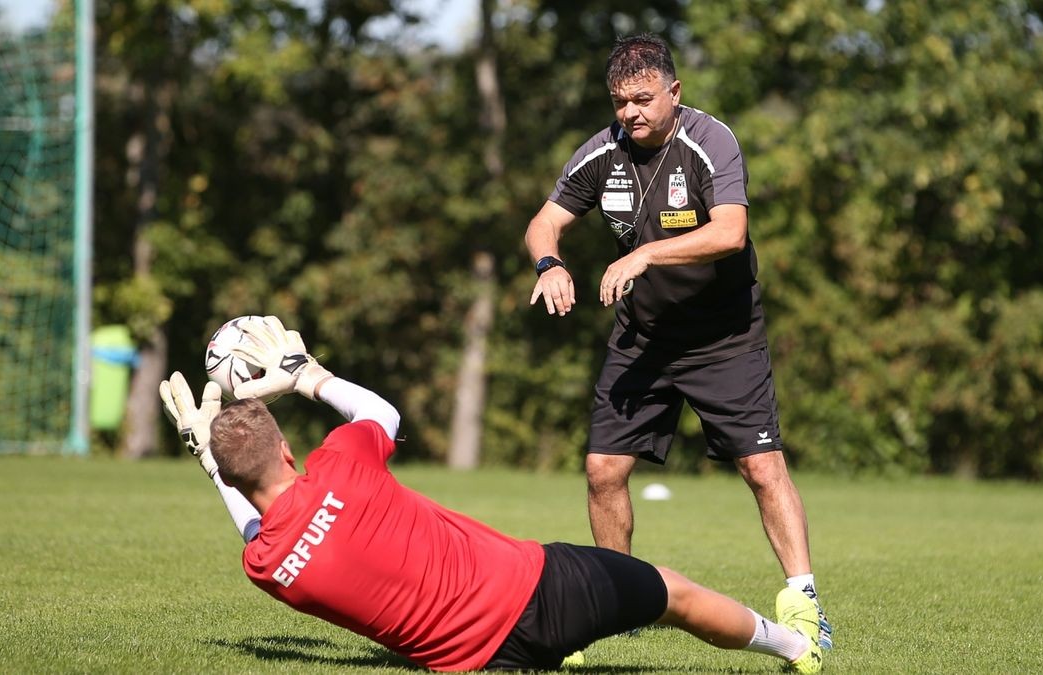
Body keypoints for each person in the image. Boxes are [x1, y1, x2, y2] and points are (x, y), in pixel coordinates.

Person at [159, 315, 823, 673]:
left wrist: (214, 464)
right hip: (542, 589)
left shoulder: (266, 568)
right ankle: (795, 648)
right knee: (671, 594)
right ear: (287, 451)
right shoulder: (340, 467)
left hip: (476, 663)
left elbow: (255, 525)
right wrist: (307, 376)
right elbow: (382, 416)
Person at [524, 33, 832, 649]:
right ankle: (616, 605)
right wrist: (549, 264)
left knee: (761, 466)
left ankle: (805, 604)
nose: (631, 112)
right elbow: (545, 221)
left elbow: (731, 233)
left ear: (674, 91)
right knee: (602, 470)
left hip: (725, 339)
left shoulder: (709, 141)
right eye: (620, 102)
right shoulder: (602, 153)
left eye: (642, 98)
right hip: (643, 340)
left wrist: (645, 255)